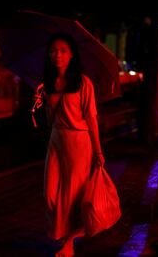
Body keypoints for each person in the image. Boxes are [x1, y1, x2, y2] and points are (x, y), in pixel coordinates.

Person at [42, 32, 105, 257]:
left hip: (79, 141)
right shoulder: (48, 82)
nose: (57, 55)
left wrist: (98, 151)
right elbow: (50, 121)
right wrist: (46, 102)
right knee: (50, 195)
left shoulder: (83, 82)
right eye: (53, 51)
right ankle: (65, 236)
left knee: (72, 196)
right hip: (57, 139)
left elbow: (91, 118)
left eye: (62, 51)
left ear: (71, 55)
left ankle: (68, 243)